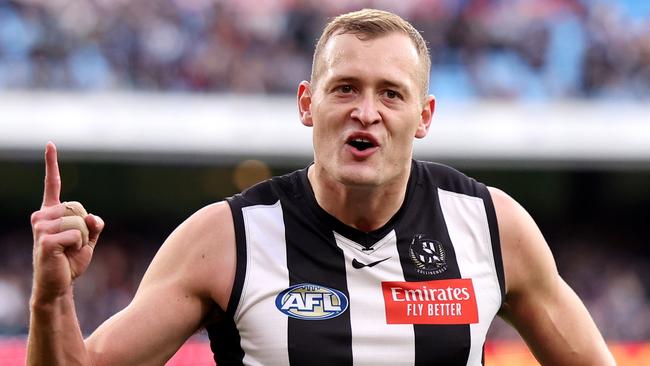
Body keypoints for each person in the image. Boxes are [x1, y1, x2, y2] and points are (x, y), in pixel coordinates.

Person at [28, 8, 615, 366]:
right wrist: (52, 297)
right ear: (307, 104)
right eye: (344, 89)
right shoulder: (225, 238)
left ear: (425, 116)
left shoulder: (492, 227)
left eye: (391, 93)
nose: (367, 111)